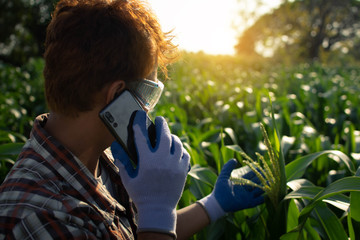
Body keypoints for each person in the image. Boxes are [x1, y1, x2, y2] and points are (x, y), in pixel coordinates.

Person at [0, 0, 264, 239]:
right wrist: (158, 210)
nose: (149, 109)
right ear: (117, 96)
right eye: (150, 91)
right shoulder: (38, 218)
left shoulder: (103, 157)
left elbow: (138, 232)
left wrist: (213, 205)